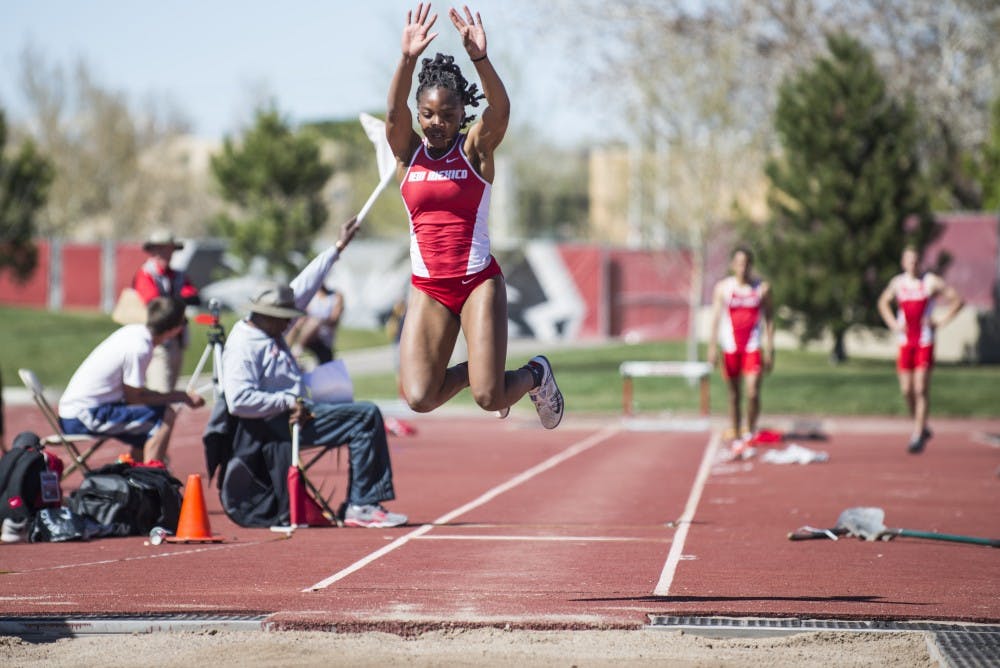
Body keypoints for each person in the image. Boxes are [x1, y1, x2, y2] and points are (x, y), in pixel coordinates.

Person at [385, 3, 563, 428]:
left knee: (489, 396)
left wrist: (480, 59)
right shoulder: (408, 153)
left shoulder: (474, 150)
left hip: (477, 281)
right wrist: (407, 58)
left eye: (447, 116)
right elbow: (393, 115)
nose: (436, 124)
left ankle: (535, 374)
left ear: (462, 114)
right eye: (427, 114)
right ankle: (473, 371)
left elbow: (499, 113)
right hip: (428, 288)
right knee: (420, 397)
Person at [220, 216, 407, 529]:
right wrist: (287, 401)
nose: (290, 323)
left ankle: (361, 501)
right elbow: (238, 401)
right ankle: (361, 504)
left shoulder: (268, 328)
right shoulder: (243, 345)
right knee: (366, 416)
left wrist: (337, 248)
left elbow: (304, 285)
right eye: (285, 318)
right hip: (276, 426)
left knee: (361, 413)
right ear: (266, 316)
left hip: (295, 412)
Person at [58, 296, 206, 464]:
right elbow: (135, 399)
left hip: (78, 411)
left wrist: (180, 396)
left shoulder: (134, 333)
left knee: (148, 424)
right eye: (184, 322)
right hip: (83, 416)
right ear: (175, 329)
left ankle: (135, 476)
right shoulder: (140, 348)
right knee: (165, 415)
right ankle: (152, 480)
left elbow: (136, 394)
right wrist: (180, 397)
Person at [877, 245, 965, 454]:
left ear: (920, 261)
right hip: (905, 340)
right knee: (906, 390)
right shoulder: (898, 283)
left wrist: (941, 321)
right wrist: (892, 323)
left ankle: (917, 434)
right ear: (903, 262)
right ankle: (922, 425)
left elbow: (957, 301)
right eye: (909, 261)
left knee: (920, 388)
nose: (913, 265)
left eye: (916, 261)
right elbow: (883, 302)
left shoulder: (931, 281)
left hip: (925, 340)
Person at [707, 246, 775, 454]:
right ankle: (736, 432)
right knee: (734, 394)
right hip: (730, 347)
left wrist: (770, 348)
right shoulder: (723, 288)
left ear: (751, 265)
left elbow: (770, 319)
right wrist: (712, 347)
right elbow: (716, 319)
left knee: (753, 392)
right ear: (732, 265)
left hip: (752, 346)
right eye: (738, 263)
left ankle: (750, 430)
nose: (742, 268)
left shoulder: (762, 288)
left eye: (746, 263)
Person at [132, 229, 201, 393]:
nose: (164, 253)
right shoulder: (146, 273)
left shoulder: (177, 275)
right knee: (160, 393)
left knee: (169, 390)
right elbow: (155, 305)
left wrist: (173, 302)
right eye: (160, 249)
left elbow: (193, 296)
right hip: (156, 342)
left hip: (176, 339)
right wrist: (177, 302)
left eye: (168, 249)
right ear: (153, 251)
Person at [285, 283, 344, 365]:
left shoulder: (336, 296)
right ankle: (285, 351)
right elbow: (303, 316)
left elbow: (334, 320)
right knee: (297, 322)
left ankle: (297, 351)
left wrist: (319, 320)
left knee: (315, 322)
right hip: (308, 336)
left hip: (324, 338)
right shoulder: (311, 297)